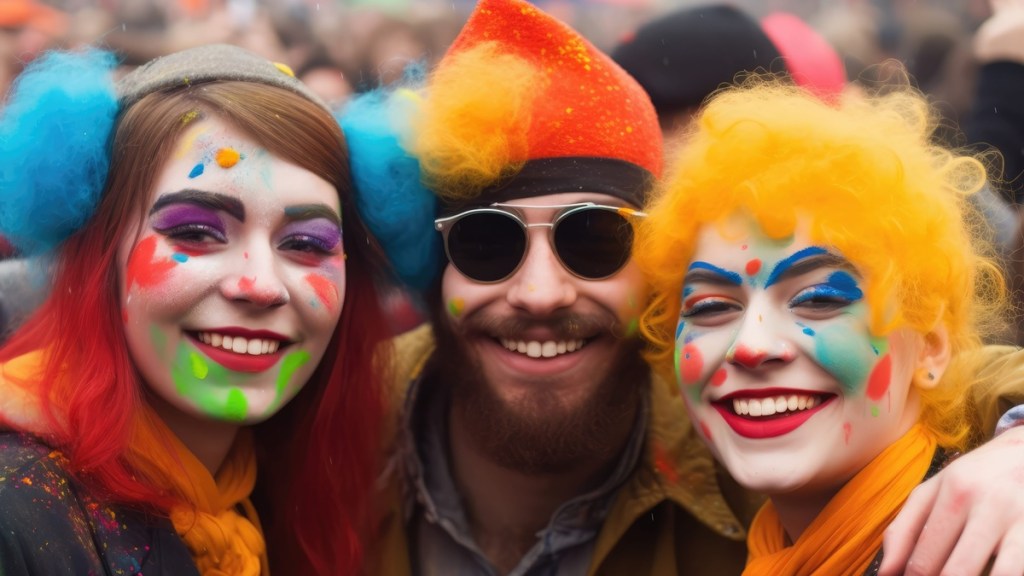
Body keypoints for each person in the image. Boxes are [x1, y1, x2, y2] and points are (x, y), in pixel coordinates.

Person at [342, 0, 1024, 574]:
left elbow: (968, 375)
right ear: (434, 269)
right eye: (486, 243)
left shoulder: (733, 418)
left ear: (652, 273)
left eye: (595, 240)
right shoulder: (337, 416)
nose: (541, 292)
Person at [0, 44, 391, 574]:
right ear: (102, 255)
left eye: (305, 243)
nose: (260, 284)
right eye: (195, 232)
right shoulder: (17, 511)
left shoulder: (280, 488)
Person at [636, 79, 1014, 575]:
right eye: (710, 307)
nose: (751, 346)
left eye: (817, 299)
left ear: (930, 347)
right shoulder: (767, 550)